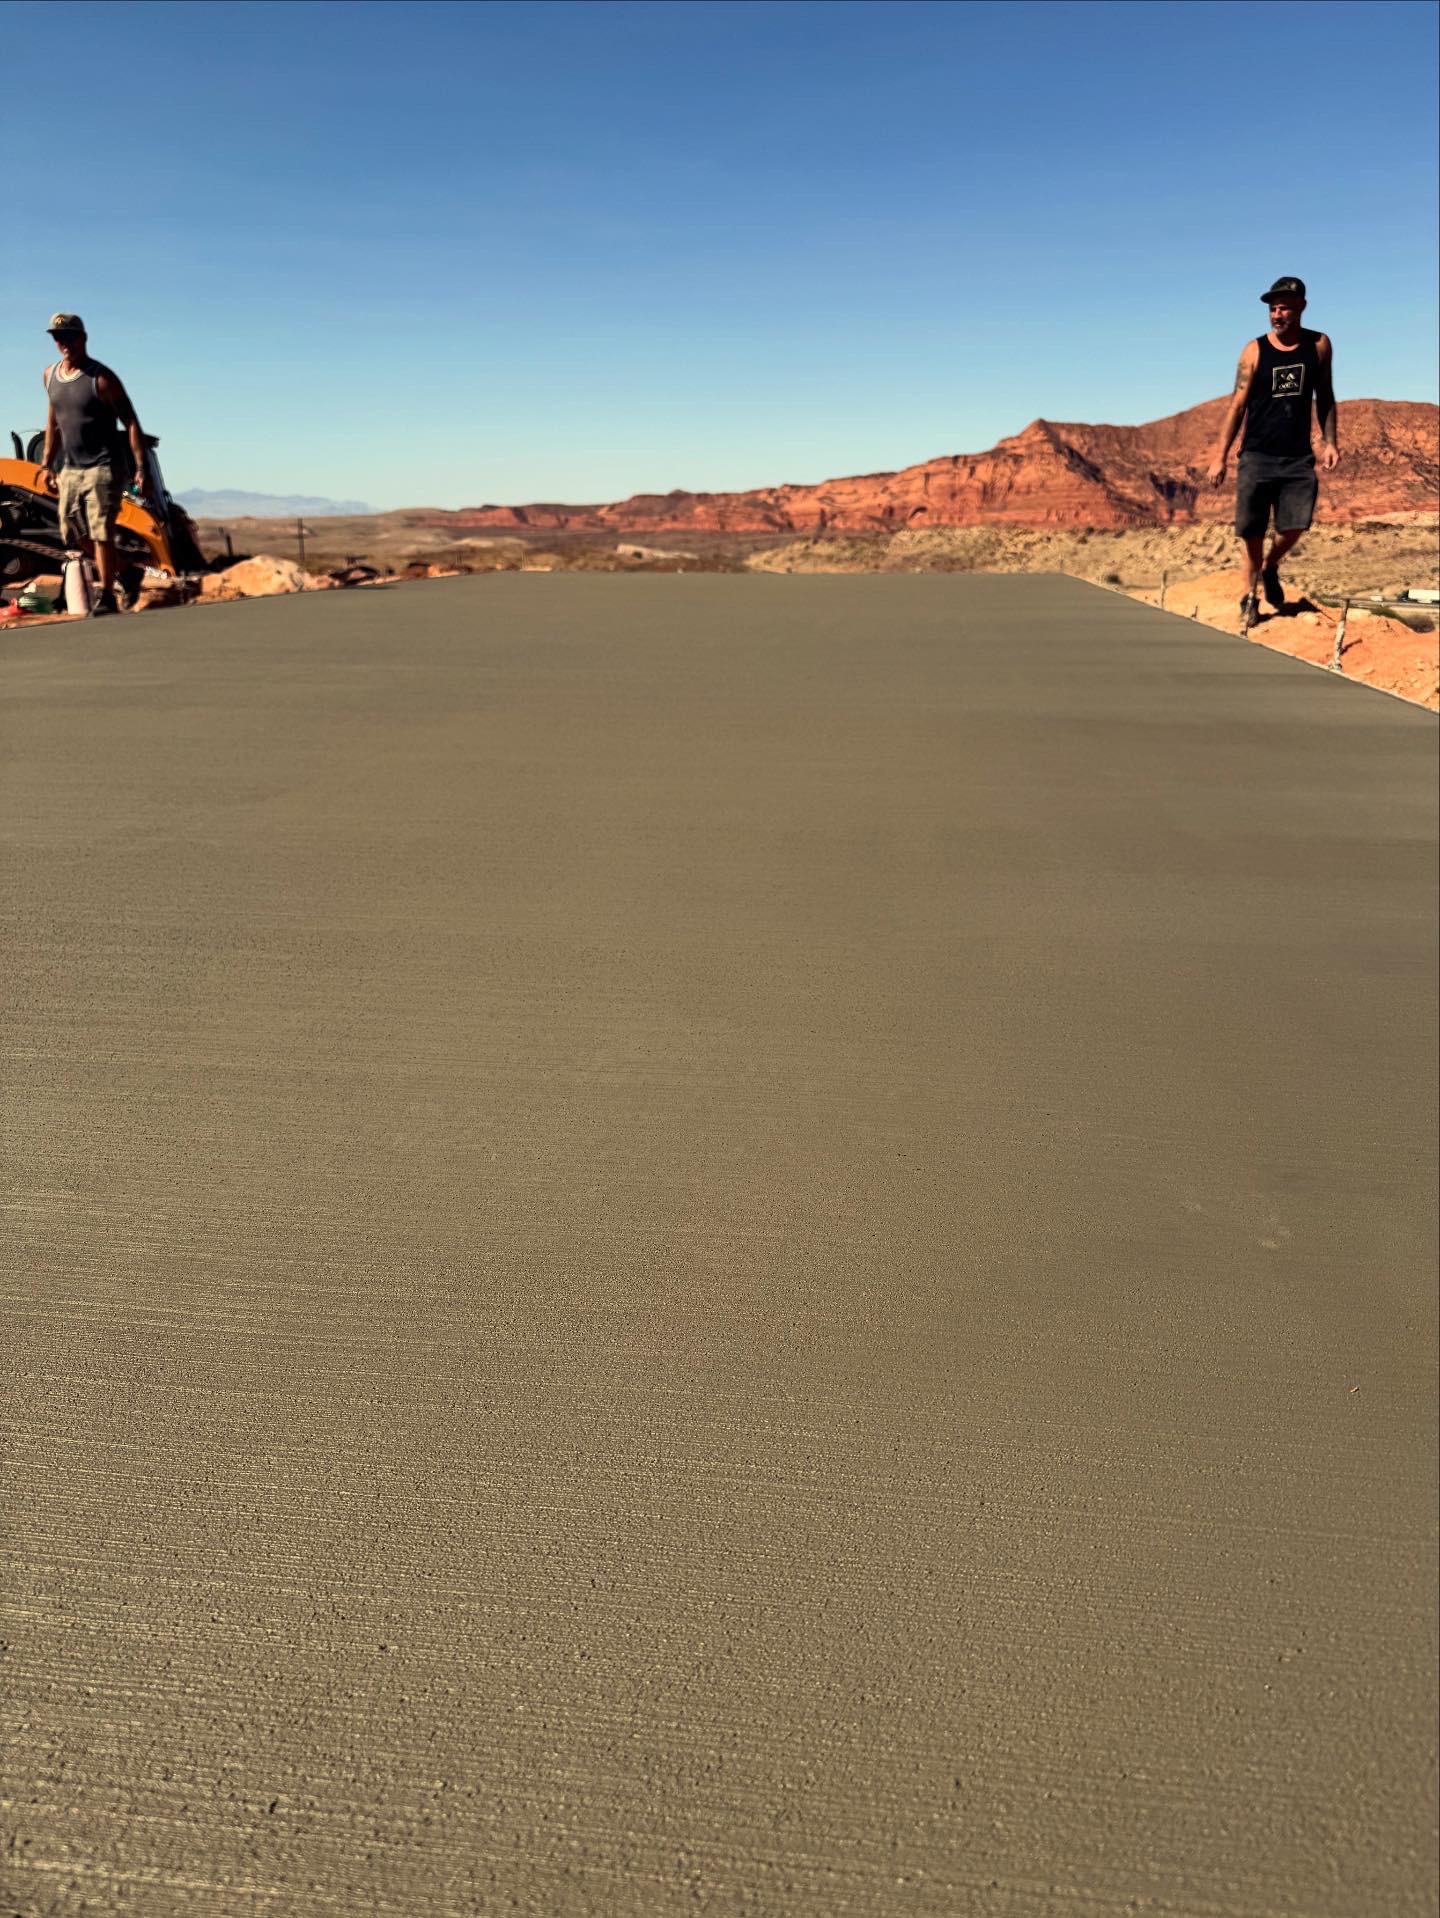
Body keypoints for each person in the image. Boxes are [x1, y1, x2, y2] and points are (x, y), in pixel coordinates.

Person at [1206, 276, 1340, 628]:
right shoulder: (1254, 351)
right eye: (1273, 308)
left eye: (1284, 307)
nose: (1277, 314)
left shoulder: (1319, 345)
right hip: (1256, 455)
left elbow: (1324, 395)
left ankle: (1271, 565)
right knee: (1251, 533)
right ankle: (1249, 599)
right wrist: (1220, 455)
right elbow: (1236, 406)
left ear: (1301, 308)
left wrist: (1329, 441)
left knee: (1294, 525)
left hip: (1297, 457)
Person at [37, 312, 152, 617]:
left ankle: (107, 596)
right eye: (58, 338)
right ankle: (126, 571)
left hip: (104, 467)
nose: (64, 343)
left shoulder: (101, 378)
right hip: (70, 468)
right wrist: (46, 464)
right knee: (71, 533)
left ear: (83, 338)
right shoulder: (50, 376)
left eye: (70, 337)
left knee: (101, 530)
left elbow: (130, 421)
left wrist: (141, 468)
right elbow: (53, 422)